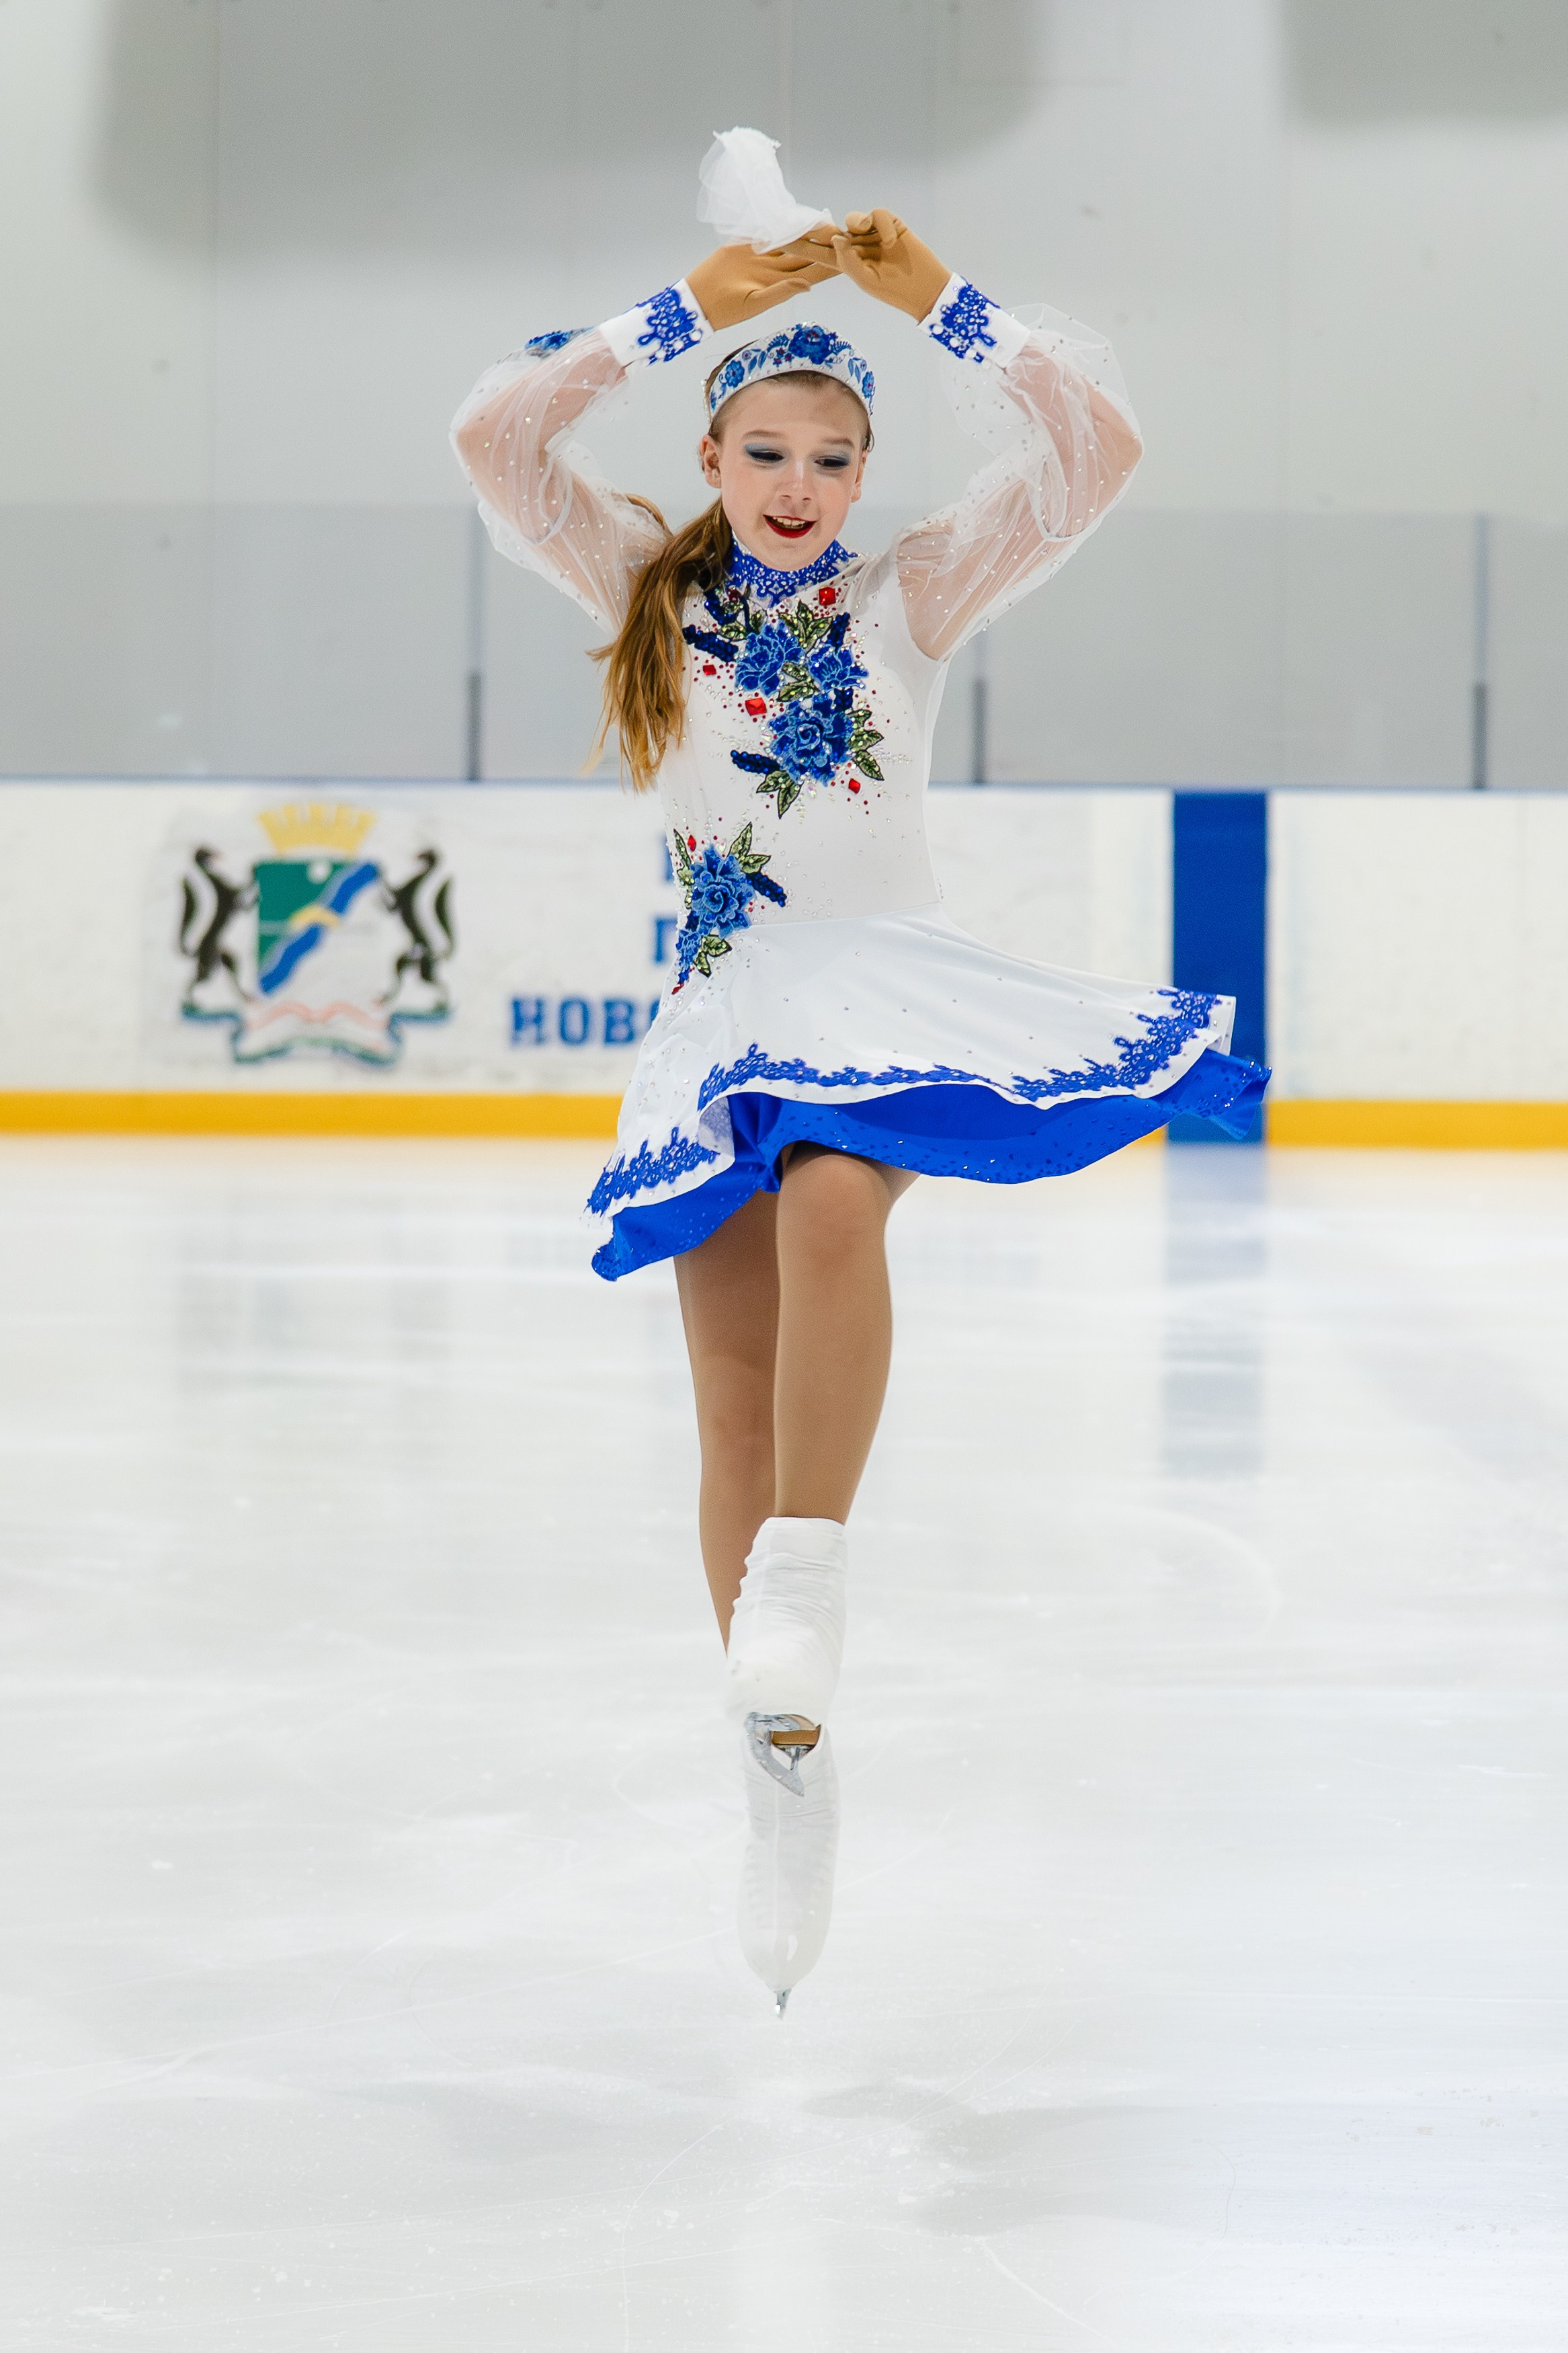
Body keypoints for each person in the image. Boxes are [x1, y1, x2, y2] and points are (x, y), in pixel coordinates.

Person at [452, 211, 1266, 2012]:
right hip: (725, 1014)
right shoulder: (647, 592)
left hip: (880, 983)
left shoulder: (911, 593)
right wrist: (681, 310)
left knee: (837, 1200)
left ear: (866, 475)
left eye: (832, 459)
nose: (800, 486)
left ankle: (807, 1581)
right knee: (730, 1413)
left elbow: (1098, 451)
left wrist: (942, 306)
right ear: (712, 458)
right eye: (767, 452)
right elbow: (496, 439)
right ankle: (783, 1769)